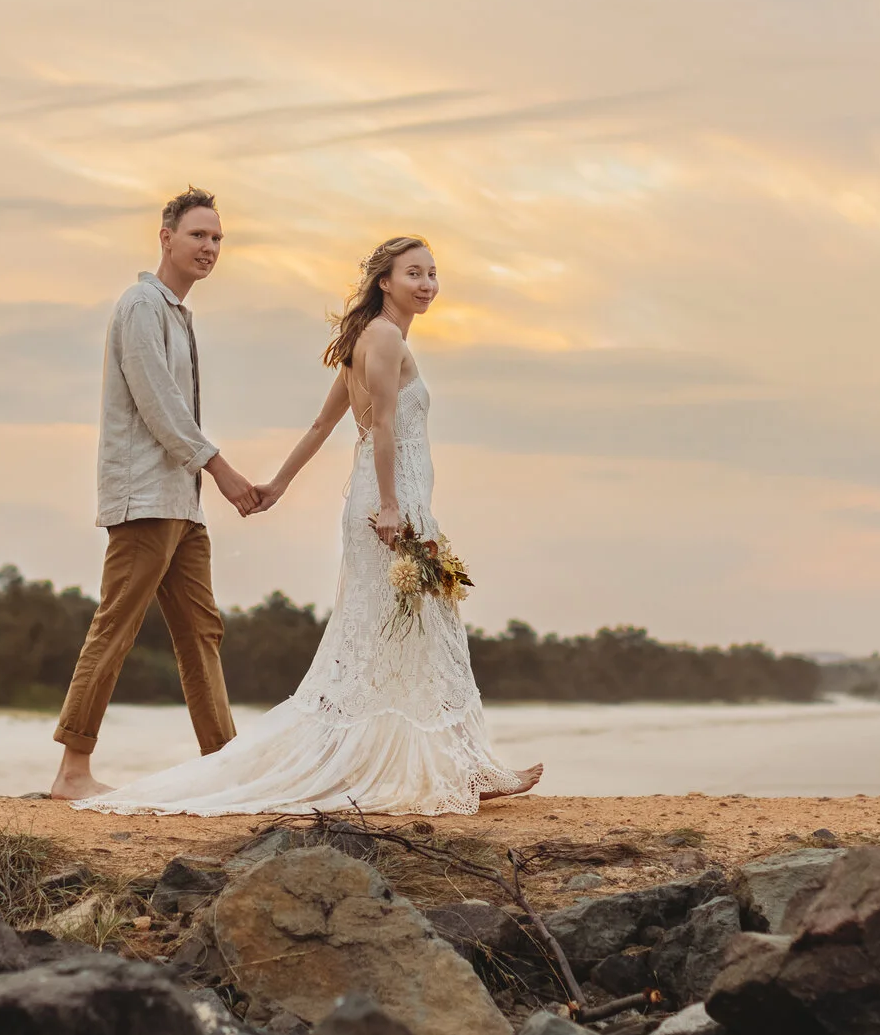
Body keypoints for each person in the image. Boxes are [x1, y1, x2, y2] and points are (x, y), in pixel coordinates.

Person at [77, 234, 543, 815]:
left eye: (431, 274)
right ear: (385, 282)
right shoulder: (385, 338)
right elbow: (383, 432)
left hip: (392, 503)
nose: (426, 284)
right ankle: (459, 766)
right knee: (417, 630)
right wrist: (394, 506)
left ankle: (464, 764)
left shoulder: (369, 337)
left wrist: (277, 485)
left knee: (412, 633)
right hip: (389, 509)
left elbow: (323, 426)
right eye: (413, 274)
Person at [48, 187, 264, 802]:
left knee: (202, 630)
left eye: (217, 238)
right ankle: (72, 771)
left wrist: (204, 480)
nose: (210, 247)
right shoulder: (142, 306)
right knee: (116, 625)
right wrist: (221, 468)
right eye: (199, 235)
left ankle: (226, 765)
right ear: (165, 238)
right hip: (145, 496)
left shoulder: (177, 314)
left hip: (182, 500)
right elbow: (159, 404)